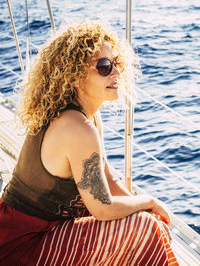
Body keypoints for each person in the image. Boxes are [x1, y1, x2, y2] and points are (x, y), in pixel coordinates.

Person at [0, 21, 179, 265]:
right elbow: (102, 208)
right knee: (143, 227)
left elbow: (107, 181)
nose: (116, 73)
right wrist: (150, 203)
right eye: (104, 66)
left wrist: (144, 208)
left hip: (31, 230)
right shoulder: (77, 128)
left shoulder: (85, 117)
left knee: (142, 219)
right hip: (21, 244)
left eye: (117, 63)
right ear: (73, 76)